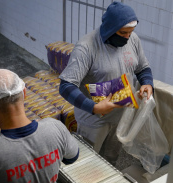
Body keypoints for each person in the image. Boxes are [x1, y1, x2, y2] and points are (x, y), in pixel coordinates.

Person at [59, 1, 153, 166]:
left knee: (110, 159)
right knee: (87, 162)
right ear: (110, 28)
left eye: (131, 33)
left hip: (121, 116)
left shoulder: (133, 39)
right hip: (94, 120)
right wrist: (94, 107)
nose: (127, 37)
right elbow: (66, 86)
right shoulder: (87, 48)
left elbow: (142, 68)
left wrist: (147, 83)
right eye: (123, 33)